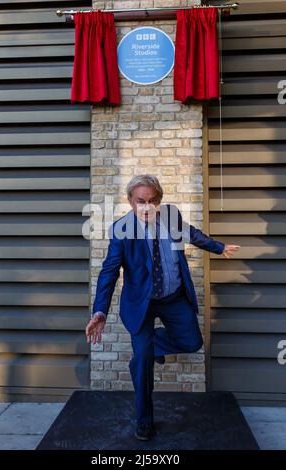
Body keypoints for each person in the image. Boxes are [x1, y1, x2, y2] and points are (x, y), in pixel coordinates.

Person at [86, 174, 240, 441]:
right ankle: (144, 419)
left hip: (173, 298)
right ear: (130, 202)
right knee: (144, 363)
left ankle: (150, 348)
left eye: (153, 200)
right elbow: (109, 273)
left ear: (160, 200)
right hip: (141, 304)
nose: (147, 206)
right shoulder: (121, 231)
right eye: (141, 201)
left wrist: (219, 247)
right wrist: (99, 311)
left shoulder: (171, 217)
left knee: (191, 341)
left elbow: (192, 234)